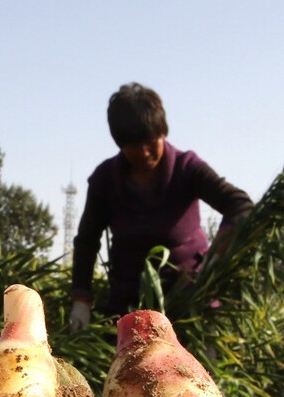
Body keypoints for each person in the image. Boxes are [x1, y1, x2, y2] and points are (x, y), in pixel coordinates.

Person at [69, 83, 254, 330]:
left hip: (190, 305)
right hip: (129, 307)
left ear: (162, 132)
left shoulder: (187, 168)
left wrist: (220, 249)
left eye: (150, 141)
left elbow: (241, 207)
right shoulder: (105, 180)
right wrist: (81, 298)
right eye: (133, 146)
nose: (144, 152)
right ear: (120, 143)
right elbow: (87, 241)